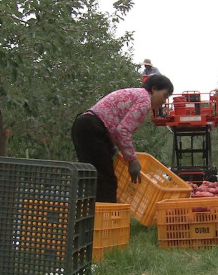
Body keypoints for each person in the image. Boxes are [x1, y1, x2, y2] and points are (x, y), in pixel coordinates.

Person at [71, 74, 174, 202]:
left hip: (83, 125)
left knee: (92, 179)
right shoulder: (144, 101)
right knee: (105, 182)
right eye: (165, 95)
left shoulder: (137, 94)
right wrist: (132, 161)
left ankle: (88, 219)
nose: (164, 101)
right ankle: (106, 220)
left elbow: (117, 131)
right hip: (93, 128)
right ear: (154, 89)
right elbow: (123, 131)